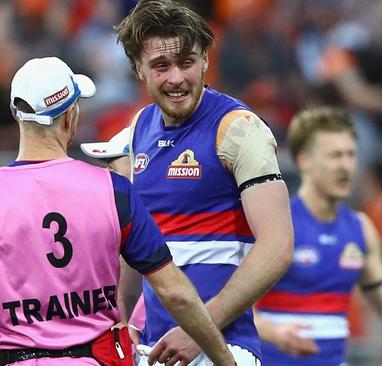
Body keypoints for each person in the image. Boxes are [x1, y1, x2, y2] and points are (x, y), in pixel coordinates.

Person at [0, 56, 236, 366]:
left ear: (17, 115)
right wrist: (224, 359)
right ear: (70, 116)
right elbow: (174, 292)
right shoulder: (114, 189)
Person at [81, 1, 294, 364]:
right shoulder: (138, 130)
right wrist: (122, 323)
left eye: (187, 62)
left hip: (226, 349)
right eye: (161, 66)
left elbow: (278, 245)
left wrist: (201, 329)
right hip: (154, 351)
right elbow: (135, 248)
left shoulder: (239, 129)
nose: (177, 78)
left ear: (206, 61)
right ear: (139, 70)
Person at [254, 107, 382, 366]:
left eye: (351, 155)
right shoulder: (277, 224)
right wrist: (273, 333)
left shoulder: (360, 229)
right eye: (335, 156)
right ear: (304, 161)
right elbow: (230, 309)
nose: (346, 165)